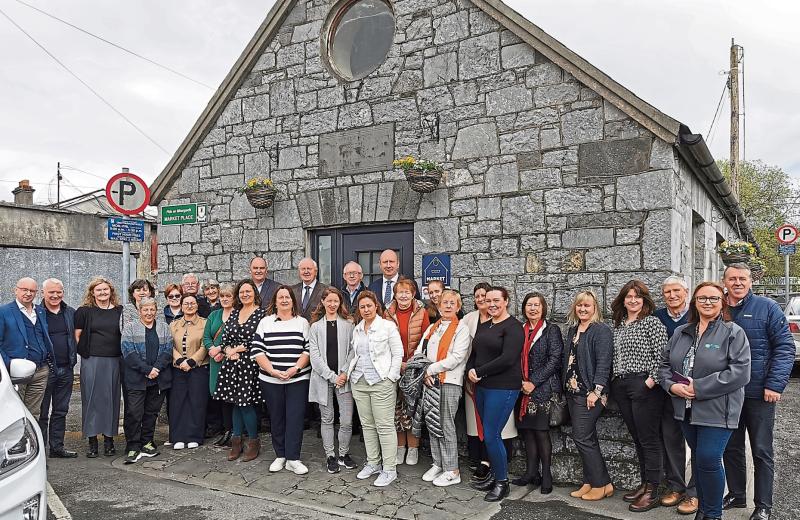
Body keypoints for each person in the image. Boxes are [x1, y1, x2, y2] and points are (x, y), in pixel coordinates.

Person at [660, 281, 751, 520]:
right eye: (702, 298)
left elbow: (740, 373)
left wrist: (697, 387)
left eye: (713, 298)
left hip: (718, 409)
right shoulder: (681, 332)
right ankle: (702, 510)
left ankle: (712, 514)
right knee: (701, 459)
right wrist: (672, 386)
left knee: (709, 459)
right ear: (695, 302)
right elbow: (664, 366)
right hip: (686, 409)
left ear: (722, 303)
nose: (707, 303)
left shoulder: (733, 332)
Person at [722, 264, 794, 520]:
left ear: (751, 282)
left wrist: (775, 384)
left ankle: (763, 505)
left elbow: (785, 348)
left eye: (742, 279)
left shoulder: (768, 308)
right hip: (727, 394)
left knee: (761, 450)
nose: (738, 283)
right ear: (725, 281)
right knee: (731, 447)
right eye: (732, 279)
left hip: (759, 393)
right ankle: (737, 494)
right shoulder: (719, 308)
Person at [610, 280, 668, 512]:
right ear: (623, 300)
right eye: (628, 296)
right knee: (637, 437)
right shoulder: (619, 324)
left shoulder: (651, 323)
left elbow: (664, 356)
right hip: (621, 386)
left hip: (644, 384)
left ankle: (654, 489)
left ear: (644, 300)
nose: (633, 300)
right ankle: (645, 483)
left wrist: (650, 381)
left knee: (649, 438)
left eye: (637, 296)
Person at [467, 286, 524, 502]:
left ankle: (502, 482)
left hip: (503, 387)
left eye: (496, 300)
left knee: (492, 435)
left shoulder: (514, 327)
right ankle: (493, 476)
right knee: (487, 435)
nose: (491, 304)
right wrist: (470, 370)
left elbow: (508, 358)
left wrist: (479, 371)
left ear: (506, 301)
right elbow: (476, 351)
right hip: (482, 387)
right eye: (488, 300)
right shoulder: (486, 324)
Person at [252, 286, 311, 473]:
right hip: (270, 380)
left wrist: (295, 369)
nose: (284, 300)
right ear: (275, 301)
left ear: (293, 301)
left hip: (298, 379)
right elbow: (257, 351)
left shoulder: (302, 323)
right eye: (281, 297)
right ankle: (280, 455)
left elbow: (308, 350)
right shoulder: (265, 322)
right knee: (276, 418)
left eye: (287, 297)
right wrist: (273, 371)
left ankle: (293, 458)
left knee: (295, 418)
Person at [348, 290, 404, 487]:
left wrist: (390, 377)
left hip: (381, 382)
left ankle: (389, 469)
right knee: (367, 425)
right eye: (362, 307)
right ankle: (373, 463)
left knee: (385, 425)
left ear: (376, 306)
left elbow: (398, 354)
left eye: (369, 306)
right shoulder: (357, 328)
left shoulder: (387, 326)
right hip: (360, 382)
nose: (365, 310)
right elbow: (355, 354)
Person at [563, 290, 614, 502]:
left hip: (589, 394)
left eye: (588, 306)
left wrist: (597, 391)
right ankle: (591, 481)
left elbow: (604, 362)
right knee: (587, 437)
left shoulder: (600, 330)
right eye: (580, 305)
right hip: (573, 394)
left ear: (595, 309)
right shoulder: (573, 330)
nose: (583, 309)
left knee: (582, 437)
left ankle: (601, 484)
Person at [416, 289, 471, 487]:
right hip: (430, 380)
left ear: (458, 307)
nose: (447, 306)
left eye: (452, 303)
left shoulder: (461, 329)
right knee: (432, 423)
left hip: (449, 381)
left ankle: (452, 469)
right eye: (444, 302)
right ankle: (438, 463)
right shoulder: (432, 328)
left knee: (446, 425)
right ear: (438, 306)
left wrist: (429, 369)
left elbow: (456, 357)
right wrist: (424, 372)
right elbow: (419, 351)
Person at [654, 276, 698, 515]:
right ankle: (676, 486)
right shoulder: (657, 317)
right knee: (671, 440)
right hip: (668, 388)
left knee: (698, 442)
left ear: (686, 292)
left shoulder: (696, 313)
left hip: (693, 389)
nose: (672, 295)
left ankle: (695, 492)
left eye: (676, 291)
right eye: (668, 292)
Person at [512, 292, 562, 495]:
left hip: (542, 389)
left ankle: (546, 475)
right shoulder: (519, 330)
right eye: (529, 305)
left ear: (543, 308)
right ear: (524, 308)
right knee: (527, 432)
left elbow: (555, 359)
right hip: (522, 389)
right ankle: (531, 472)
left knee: (541, 432)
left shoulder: (551, 330)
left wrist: (533, 382)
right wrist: (522, 382)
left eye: (537, 305)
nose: (532, 308)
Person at [213, 280, 267, 462]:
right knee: (235, 403)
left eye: (248, 291)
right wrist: (228, 350)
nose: (245, 295)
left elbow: (259, 340)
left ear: (254, 293)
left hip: (250, 365)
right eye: (242, 292)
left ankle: (253, 441)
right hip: (231, 364)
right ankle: (236, 441)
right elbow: (225, 337)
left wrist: (235, 350)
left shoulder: (261, 313)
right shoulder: (235, 312)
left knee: (246, 403)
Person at [308, 287, 357, 473]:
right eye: (328, 301)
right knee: (327, 419)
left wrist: (343, 373)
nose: (332, 304)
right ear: (322, 302)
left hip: (344, 379)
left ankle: (344, 454)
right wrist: (332, 376)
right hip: (324, 378)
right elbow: (315, 357)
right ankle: (330, 456)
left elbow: (353, 351)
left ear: (340, 303)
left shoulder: (348, 325)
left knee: (346, 420)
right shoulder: (315, 327)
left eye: (335, 301)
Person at [75, 276, 123, 457]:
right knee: (92, 400)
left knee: (111, 399)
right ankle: (92, 441)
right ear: (92, 293)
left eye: (105, 289)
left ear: (111, 291)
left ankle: (109, 440)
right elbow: (77, 336)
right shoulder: (84, 311)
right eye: (99, 290)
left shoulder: (120, 311)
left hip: (114, 360)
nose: (103, 293)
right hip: (92, 360)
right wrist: (86, 354)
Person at [120, 297, 173, 464]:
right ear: (139, 311)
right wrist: (147, 369)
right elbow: (128, 352)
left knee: (151, 413)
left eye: (152, 309)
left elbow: (168, 350)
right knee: (134, 413)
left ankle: (147, 441)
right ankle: (133, 445)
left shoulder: (164, 327)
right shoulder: (129, 328)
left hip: (158, 378)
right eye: (145, 310)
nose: (149, 313)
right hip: (137, 379)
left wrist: (156, 368)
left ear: (156, 310)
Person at [384, 277, 430, 466]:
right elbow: (383, 340)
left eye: (407, 292)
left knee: (412, 409)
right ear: (394, 294)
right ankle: (400, 447)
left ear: (413, 294)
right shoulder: (387, 313)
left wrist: (411, 363)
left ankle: (413, 449)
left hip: (413, 368)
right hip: (393, 367)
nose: (403, 295)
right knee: (396, 410)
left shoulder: (422, 312)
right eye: (400, 292)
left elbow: (426, 339)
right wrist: (396, 363)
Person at [0, 278, 53, 418]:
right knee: (14, 414)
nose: (28, 293)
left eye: (32, 290)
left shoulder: (40, 311)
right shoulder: (4, 312)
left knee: (33, 414)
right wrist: (9, 365)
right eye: (24, 289)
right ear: (16, 290)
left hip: (41, 371)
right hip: (17, 373)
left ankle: (30, 441)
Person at [37, 278, 77, 458]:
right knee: (42, 412)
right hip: (44, 370)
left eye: (58, 292)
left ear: (63, 292)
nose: (55, 295)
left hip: (66, 369)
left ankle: (57, 448)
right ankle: (39, 451)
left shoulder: (70, 313)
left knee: (61, 410)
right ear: (43, 293)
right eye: (51, 292)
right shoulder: (36, 313)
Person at [168, 294, 209, 449]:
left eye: (192, 303)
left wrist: (192, 361)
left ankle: (194, 436)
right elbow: (168, 344)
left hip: (198, 368)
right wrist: (179, 361)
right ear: (182, 306)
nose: (189, 306)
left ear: (197, 306)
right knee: (178, 403)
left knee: (196, 402)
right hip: (178, 369)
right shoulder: (174, 324)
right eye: (186, 303)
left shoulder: (205, 323)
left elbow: (206, 344)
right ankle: (177, 437)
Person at [204, 283, 236, 447]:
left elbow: (239, 339)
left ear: (233, 298)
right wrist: (211, 350)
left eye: (228, 296)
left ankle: (235, 432)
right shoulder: (213, 315)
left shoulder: (238, 315)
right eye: (222, 296)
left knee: (233, 398)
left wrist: (222, 352)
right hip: (215, 363)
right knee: (221, 397)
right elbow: (207, 337)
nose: (224, 299)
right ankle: (226, 431)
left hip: (232, 361)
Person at [291, 257, 328, 322]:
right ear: (299, 272)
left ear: (316, 272)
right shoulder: (292, 290)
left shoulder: (326, 290)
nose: (306, 271)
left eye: (309, 269)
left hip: (317, 330)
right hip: (297, 330)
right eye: (303, 269)